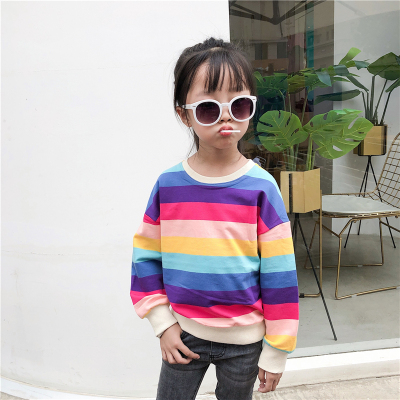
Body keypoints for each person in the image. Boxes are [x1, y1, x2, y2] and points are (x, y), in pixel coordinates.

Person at [130, 37, 299, 400]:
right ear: (184, 114)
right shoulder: (168, 185)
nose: (226, 117)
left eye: (239, 104)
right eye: (208, 107)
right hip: (183, 333)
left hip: (246, 343)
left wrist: (277, 350)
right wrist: (163, 324)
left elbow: (280, 273)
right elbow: (145, 257)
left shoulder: (261, 187)